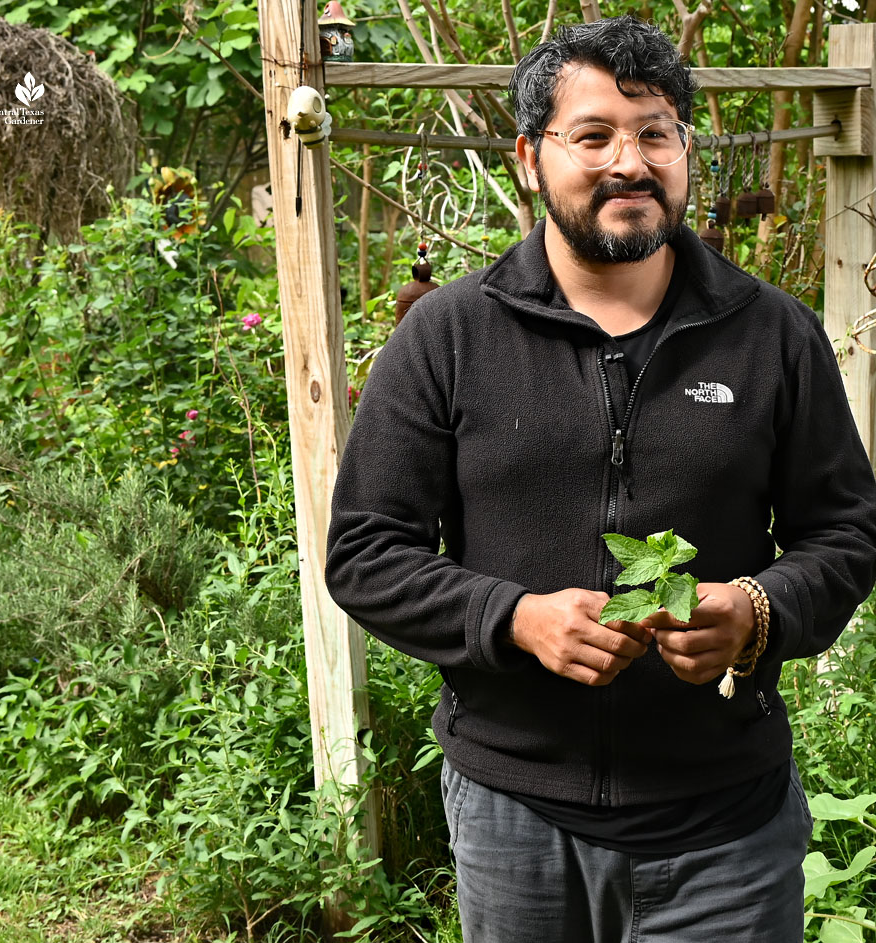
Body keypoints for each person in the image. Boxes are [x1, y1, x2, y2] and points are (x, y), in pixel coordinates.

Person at [325, 14, 876, 943]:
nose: (632, 161)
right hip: (515, 818)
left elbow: (846, 532)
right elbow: (366, 550)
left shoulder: (774, 334)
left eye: (656, 132)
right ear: (528, 159)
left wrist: (757, 610)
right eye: (594, 135)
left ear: (684, 150)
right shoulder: (449, 336)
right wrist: (514, 617)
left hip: (726, 826)